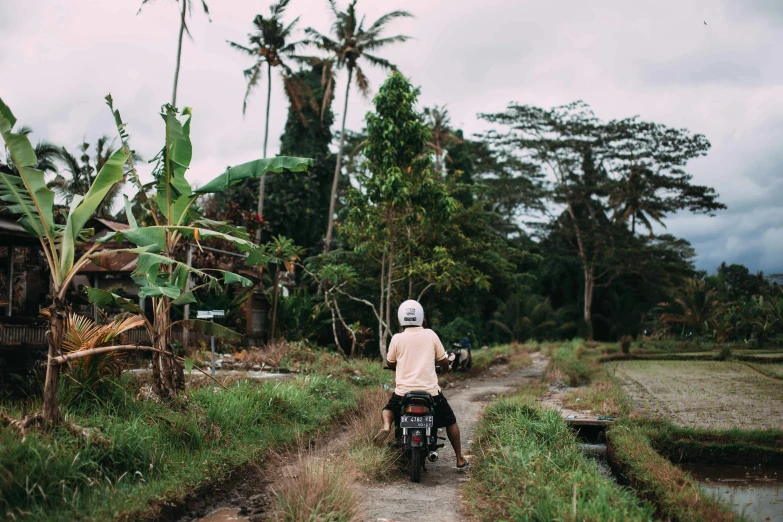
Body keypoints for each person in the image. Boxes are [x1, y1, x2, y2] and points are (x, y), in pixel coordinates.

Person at [373, 299, 469, 469]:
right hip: (430, 393)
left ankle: (387, 425)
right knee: (450, 421)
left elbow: (390, 363)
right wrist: (445, 366)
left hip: (403, 393)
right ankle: (459, 458)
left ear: (401, 318)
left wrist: (397, 363)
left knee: (389, 409)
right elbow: (443, 361)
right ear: (421, 317)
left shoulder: (397, 338)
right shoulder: (431, 335)